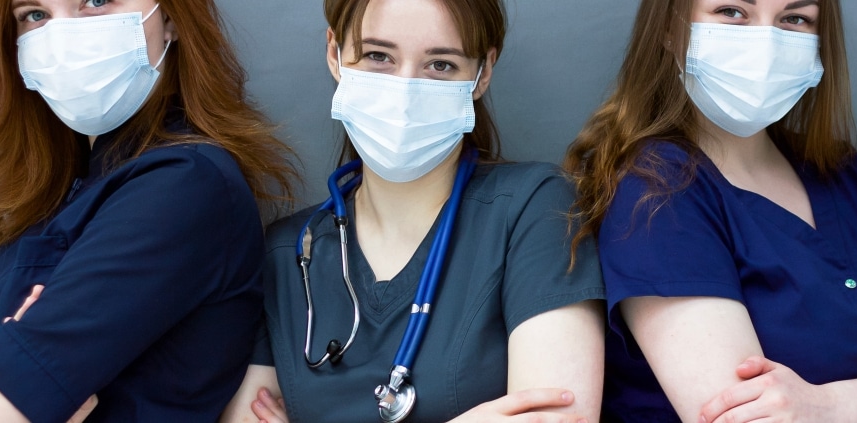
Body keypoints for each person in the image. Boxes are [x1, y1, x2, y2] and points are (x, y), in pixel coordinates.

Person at [564, 0, 857, 421]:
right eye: (732, 11)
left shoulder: (845, 174)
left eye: (795, 18)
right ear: (668, 27)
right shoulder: (656, 193)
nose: (766, 42)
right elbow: (742, 415)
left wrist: (828, 408)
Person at [0, 0, 294, 421]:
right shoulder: (52, 201)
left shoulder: (186, 183)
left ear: (169, 18)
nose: (62, 36)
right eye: (35, 15)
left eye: (96, 1)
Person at [221, 0, 606, 422]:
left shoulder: (534, 209)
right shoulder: (289, 252)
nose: (405, 90)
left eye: (440, 65)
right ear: (335, 54)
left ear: (482, 73)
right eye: (378, 56)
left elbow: (560, 416)